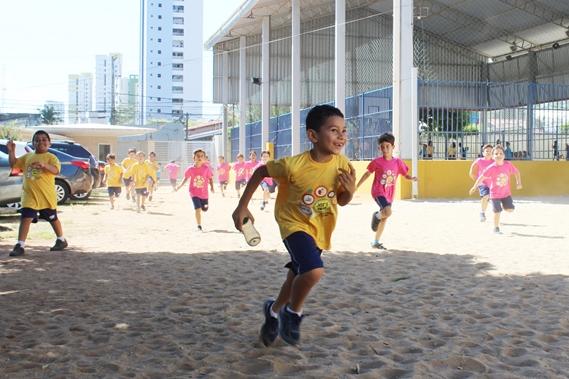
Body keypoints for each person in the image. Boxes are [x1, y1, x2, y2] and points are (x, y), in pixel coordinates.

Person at [232, 104, 356, 346]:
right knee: (313, 271)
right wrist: (242, 207)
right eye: (334, 130)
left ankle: (274, 311)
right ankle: (293, 313)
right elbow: (260, 172)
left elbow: (340, 200)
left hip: (319, 229)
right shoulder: (293, 165)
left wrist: (349, 193)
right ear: (313, 136)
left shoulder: (342, 165)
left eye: (344, 130)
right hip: (293, 224)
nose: (341, 136)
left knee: (295, 278)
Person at [6, 131, 68, 256]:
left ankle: (61, 240)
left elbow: (56, 170)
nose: (41, 142)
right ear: (33, 143)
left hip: (46, 196)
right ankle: (20, 245)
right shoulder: (28, 156)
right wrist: (11, 151)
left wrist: (44, 165)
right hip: (29, 195)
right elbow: (14, 164)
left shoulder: (51, 157)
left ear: (49, 143)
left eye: (44, 139)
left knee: (52, 218)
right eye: (37, 140)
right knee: (26, 217)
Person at [356, 132, 417, 250]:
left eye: (387, 146)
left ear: (393, 147)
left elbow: (405, 174)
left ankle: (375, 242)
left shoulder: (398, 162)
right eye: (382, 147)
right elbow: (367, 174)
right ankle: (376, 216)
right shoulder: (377, 162)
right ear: (379, 148)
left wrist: (412, 178)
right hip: (378, 191)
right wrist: (357, 186)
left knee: (384, 218)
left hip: (389, 194)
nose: (385, 149)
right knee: (387, 212)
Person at [469, 145, 522, 234]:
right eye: (496, 154)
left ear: (504, 155)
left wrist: (519, 182)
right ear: (493, 157)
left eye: (501, 153)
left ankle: (503, 207)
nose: (498, 155)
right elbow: (481, 177)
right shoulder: (491, 168)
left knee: (510, 209)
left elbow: (516, 172)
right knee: (497, 212)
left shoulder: (508, 165)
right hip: (494, 194)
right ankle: (496, 228)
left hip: (506, 194)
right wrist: (474, 186)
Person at [177, 149, 214, 231]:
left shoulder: (206, 168)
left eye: (202, 156)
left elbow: (210, 178)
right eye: (198, 156)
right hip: (193, 192)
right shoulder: (190, 169)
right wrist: (180, 185)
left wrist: (212, 187)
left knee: (204, 209)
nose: (200, 157)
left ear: (204, 158)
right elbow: (185, 178)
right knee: (197, 209)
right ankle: (199, 225)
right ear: (193, 158)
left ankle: (204, 207)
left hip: (204, 194)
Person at [469, 144, 494, 222]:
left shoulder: (495, 161)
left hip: (492, 184)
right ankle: (482, 213)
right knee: (485, 196)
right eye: (487, 151)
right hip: (482, 183)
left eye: (490, 151)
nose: (489, 152)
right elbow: (471, 172)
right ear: (483, 153)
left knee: (489, 199)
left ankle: (486, 211)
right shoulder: (479, 160)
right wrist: (477, 181)